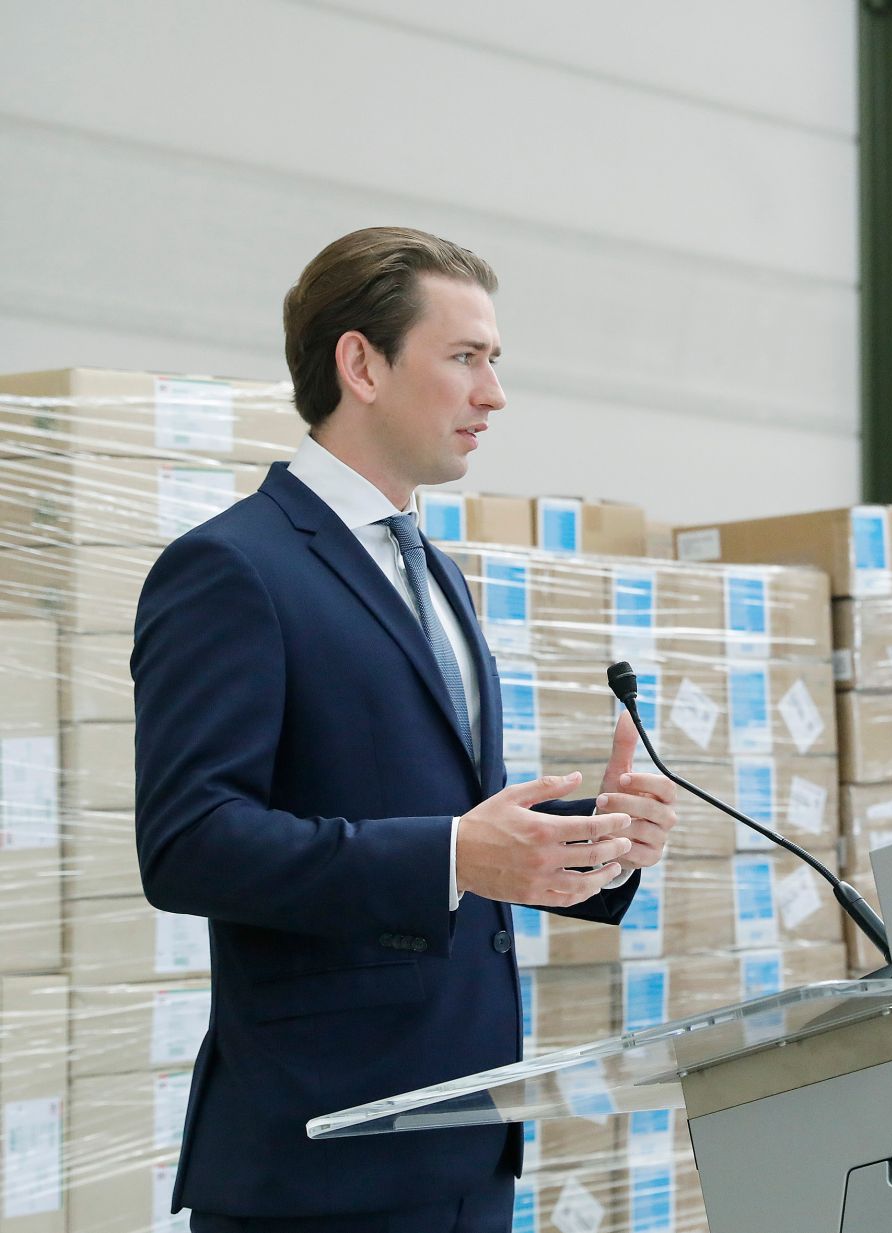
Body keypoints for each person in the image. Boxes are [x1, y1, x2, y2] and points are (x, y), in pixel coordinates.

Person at [132, 227, 678, 1232]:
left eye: (494, 360)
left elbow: (444, 816)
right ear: (362, 365)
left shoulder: (436, 574)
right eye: (465, 357)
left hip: (466, 1138)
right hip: (321, 1159)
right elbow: (189, 844)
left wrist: (593, 843)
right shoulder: (233, 568)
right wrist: (452, 854)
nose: (493, 394)